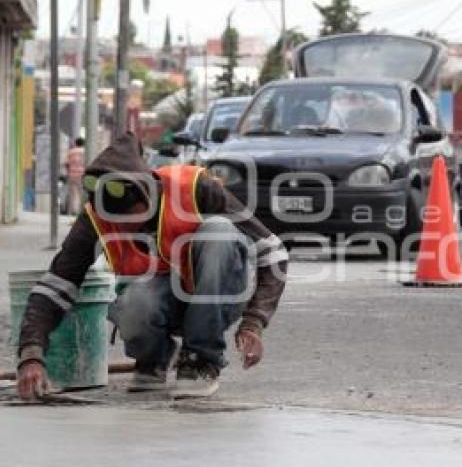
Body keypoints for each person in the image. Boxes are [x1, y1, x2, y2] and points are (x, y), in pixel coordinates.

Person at [16, 133, 288, 400]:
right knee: (134, 299)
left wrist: (254, 322)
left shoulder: (194, 187)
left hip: (218, 296)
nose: (120, 226)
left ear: (147, 195)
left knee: (219, 230)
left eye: (128, 217)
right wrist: (31, 354)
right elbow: (56, 286)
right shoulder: (96, 216)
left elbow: (273, 252)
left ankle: (200, 360)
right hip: (161, 300)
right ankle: (152, 359)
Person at [65, 137, 86, 215]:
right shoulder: (86, 152)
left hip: (72, 174)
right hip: (82, 174)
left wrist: (69, 171)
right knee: (82, 193)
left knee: (73, 193)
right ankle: (81, 211)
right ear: (83, 144)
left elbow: (67, 163)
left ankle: (73, 210)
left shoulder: (71, 152)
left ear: (76, 143)